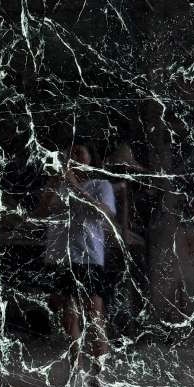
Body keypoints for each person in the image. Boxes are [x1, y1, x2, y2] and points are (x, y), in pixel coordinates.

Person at [39, 143, 117, 361]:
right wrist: (54, 182)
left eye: (80, 152)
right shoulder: (59, 186)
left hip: (88, 257)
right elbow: (41, 213)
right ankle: (76, 371)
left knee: (94, 317)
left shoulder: (101, 185)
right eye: (71, 152)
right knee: (68, 318)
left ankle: (99, 373)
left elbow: (104, 213)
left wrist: (74, 185)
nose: (74, 156)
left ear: (91, 158)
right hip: (59, 258)